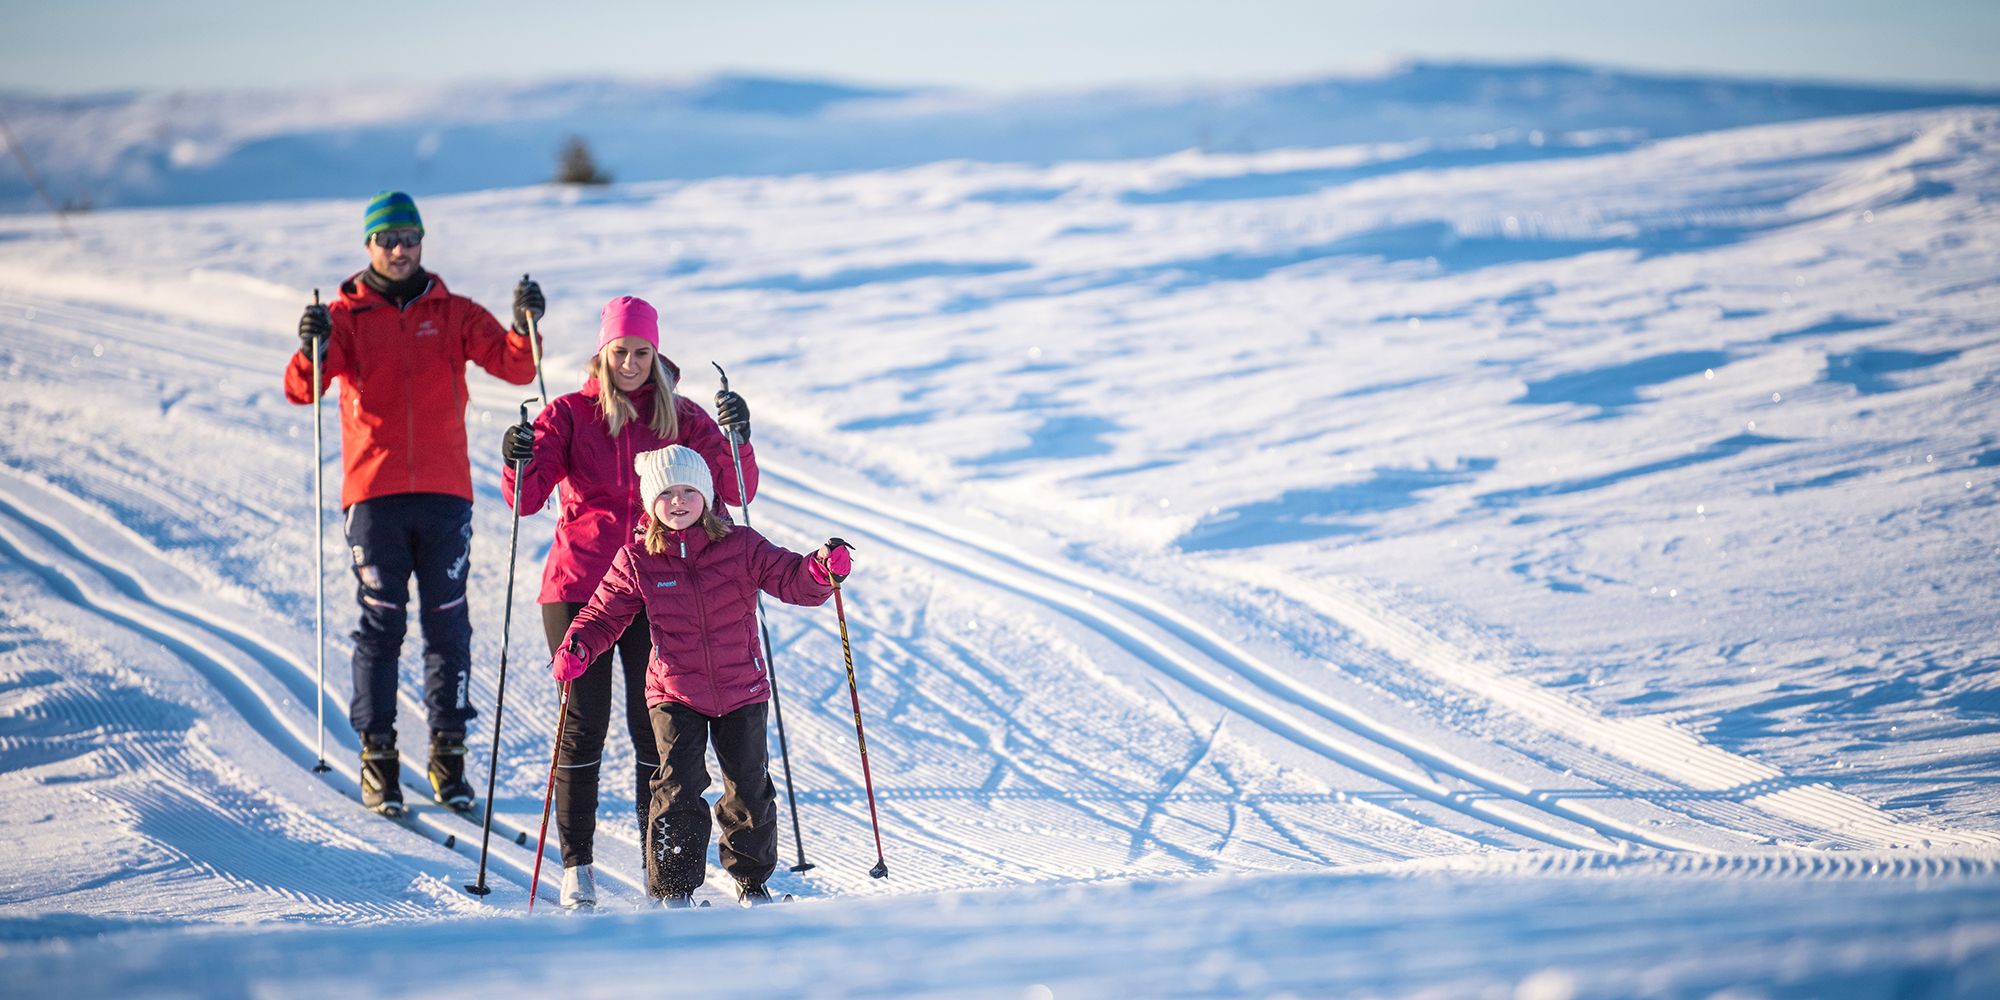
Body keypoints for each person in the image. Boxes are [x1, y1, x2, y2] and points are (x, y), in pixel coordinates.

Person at [285, 189, 545, 817]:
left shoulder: (452, 311)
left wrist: (525, 324)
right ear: (369, 245)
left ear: (423, 241)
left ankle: (447, 757)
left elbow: (515, 367)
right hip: (373, 496)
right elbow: (302, 389)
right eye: (387, 240)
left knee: (448, 623)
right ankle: (379, 760)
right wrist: (310, 345)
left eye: (410, 238)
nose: (400, 250)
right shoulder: (346, 318)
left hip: (444, 493)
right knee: (383, 623)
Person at [499, 295, 757, 910]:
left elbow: (735, 490)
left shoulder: (686, 419)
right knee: (584, 726)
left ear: (657, 352)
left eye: (643, 352)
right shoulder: (569, 415)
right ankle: (576, 864)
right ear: (603, 352)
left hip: (658, 586)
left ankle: (659, 870)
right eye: (621, 352)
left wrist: (738, 436)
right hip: (579, 588)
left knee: (657, 736)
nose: (632, 363)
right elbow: (525, 501)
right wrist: (519, 459)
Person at [550, 445, 851, 908]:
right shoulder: (637, 559)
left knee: (749, 787)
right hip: (675, 691)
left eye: (689, 490)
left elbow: (792, 579)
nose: (678, 501)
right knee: (677, 787)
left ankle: (752, 883)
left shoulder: (742, 546)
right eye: (666, 493)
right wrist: (579, 644)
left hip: (741, 688)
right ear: (651, 502)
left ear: (707, 496)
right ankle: (673, 889)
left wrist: (819, 569)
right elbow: (602, 613)